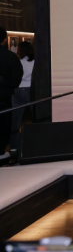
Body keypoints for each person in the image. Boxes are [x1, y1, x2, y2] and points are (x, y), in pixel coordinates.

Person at [0, 27, 23, 160]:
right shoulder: (11, 57)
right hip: (4, 97)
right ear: (4, 40)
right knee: (4, 124)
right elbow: (16, 80)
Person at [11, 41, 35, 152]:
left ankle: (14, 147)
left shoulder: (17, 62)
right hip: (31, 90)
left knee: (15, 121)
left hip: (17, 90)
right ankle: (36, 144)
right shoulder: (34, 62)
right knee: (36, 118)